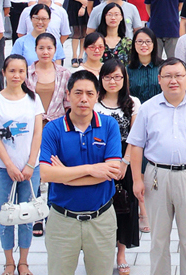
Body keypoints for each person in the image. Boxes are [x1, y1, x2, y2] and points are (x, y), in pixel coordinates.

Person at [128, 59, 186, 275]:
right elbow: (136, 145)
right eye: (167, 76)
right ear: (159, 79)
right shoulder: (148, 108)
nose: (173, 81)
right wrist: (137, 179)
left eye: (178, 75)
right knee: (158, 239)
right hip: (157, 176)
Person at [39, 69, 124, 275]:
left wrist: (66, 176)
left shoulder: (109, 125)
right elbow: (46, 174)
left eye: (89, 93)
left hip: (101, 219)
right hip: (62, 220)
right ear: (67, 95)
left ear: (97, 96)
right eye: (78, 93)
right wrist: (91, 169)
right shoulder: (53, 129)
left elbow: (111, 172)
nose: (83, 99)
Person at [0, 56, 44, 275]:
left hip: (31, 168)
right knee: (7, 215)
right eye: (12, 71)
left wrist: (30, 163)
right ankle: (9, 261)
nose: (16, 75)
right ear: (4, 72)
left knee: (28, 215)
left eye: (21, 71)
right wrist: (9, 165)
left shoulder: (33, 99)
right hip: (3, 169)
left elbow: (38, 133)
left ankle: (24, 261)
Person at [86, 61, 140, 275]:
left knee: (123, 208)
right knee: (98, 207)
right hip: (98, 159)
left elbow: (135, 138)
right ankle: (100, 252)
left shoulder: (133, 103)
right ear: (101, 79)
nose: (113, 81)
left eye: (117, 77)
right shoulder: (94, 103)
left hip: (124, 162)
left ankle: (121, 254)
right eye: (108, 77)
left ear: (124, 79)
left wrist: (124, 162)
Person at [30, 32, 73, 122]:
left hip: (57, 125)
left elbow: (68, 103)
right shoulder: (27, 73)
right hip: (32, 123)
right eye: (41, 48)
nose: (45, 52)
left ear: (55, 49)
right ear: (35, 49)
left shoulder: (64, 74)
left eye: (49, 48)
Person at [128, 28, 163, 102]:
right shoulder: (128, 70)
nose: (144, 45)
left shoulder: (163, 67)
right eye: (140, 41)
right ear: (134, 44)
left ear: (154, 44)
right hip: (136, 110)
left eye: (148, 41)